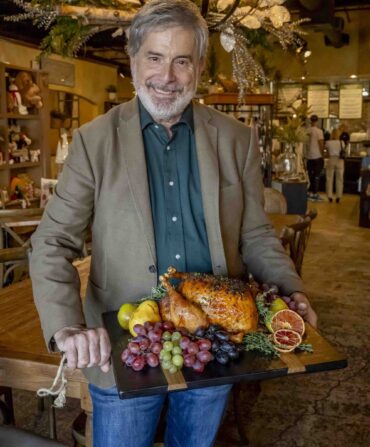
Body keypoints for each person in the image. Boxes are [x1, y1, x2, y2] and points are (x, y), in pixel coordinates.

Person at [30, 1, 317, 446]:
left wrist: (291, 290)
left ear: (199, 67)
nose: (167, 77)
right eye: (155, 58)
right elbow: (51, 241)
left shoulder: (237, 140)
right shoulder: (94, 142)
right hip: (125, 344)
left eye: (182, 60)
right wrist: (67, 326)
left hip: (214, 339)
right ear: (132, 61)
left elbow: (256, 234)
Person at [306, 114, 324, 201]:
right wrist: (323, 154)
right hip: (317, 156)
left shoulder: (307, 131)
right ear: (317, 121)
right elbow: (321, 144)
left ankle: (309, 192)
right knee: (316, 176)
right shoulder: (319, 131)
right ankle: (315, 193)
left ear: (310, 121)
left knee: (310, 175)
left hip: (309, 157)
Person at [325, 129, 345, 203]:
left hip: (331, 159)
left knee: (329, 178)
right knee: (339, 179)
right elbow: (343, 150)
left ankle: (330, 196)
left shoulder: (328, 142)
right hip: (340, 160)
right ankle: (338, 196)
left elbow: (326, 153)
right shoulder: (341, 142)